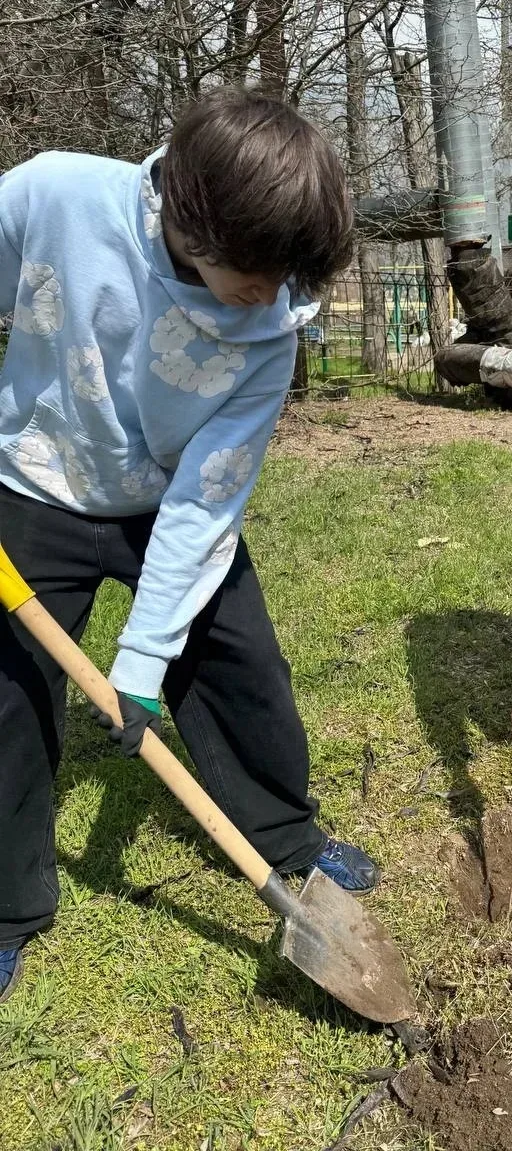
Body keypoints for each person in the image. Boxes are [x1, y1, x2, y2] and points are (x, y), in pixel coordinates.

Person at [0, 88, 379, 1005]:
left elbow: (207, 506)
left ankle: (286, 837)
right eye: (263, 272)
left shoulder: (271, 333)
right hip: (36, 481)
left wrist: (141, 662)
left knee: (241, 665)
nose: (278, 295)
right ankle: (9, 908)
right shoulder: (52, 197)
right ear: (193, 217)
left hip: (166, 499)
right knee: (7, 699)